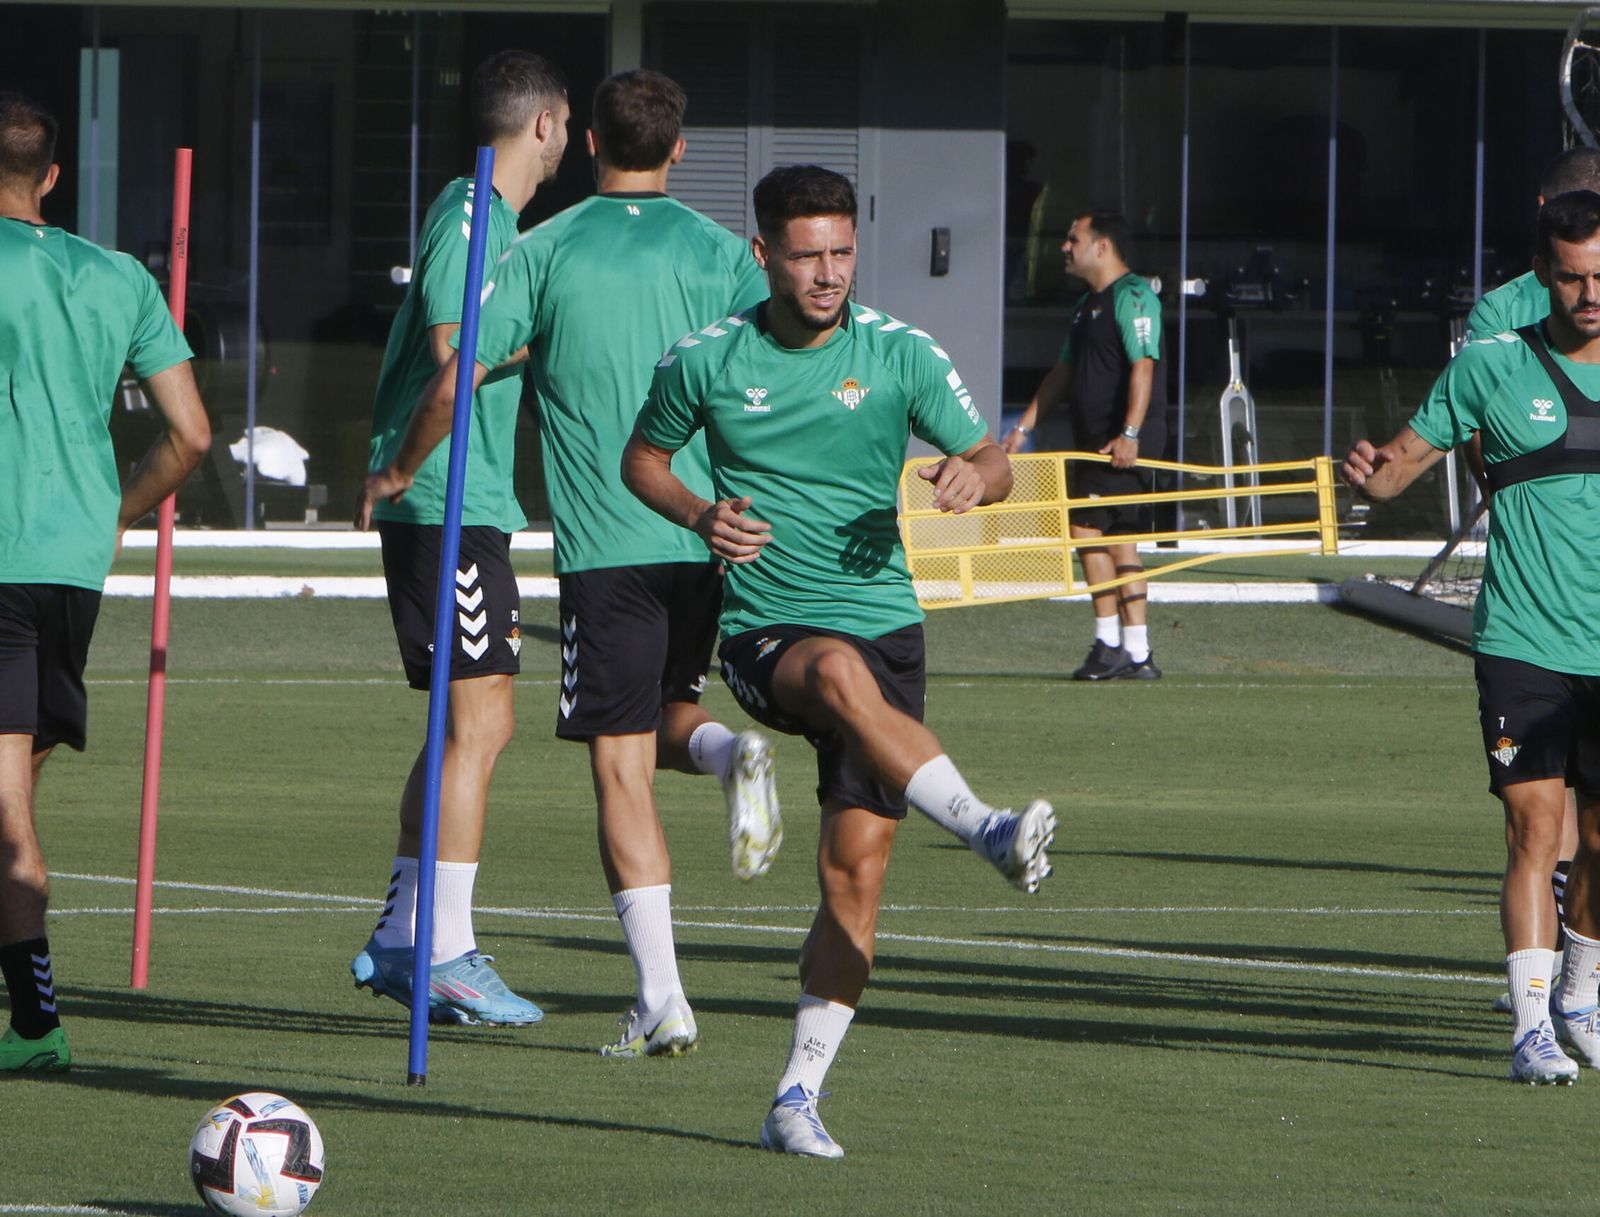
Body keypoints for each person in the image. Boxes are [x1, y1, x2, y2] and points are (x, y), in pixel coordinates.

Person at [621, 164, 1056, 1155]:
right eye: (807, 254)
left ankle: (794, 1098)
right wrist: (700, 511)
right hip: (766, 632)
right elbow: (642, 457)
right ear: (762, 253)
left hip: (885, 627)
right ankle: (986, 826)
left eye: (843, 253)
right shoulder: (708, 357)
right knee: (829, 675)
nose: (828, 273)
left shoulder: (897, 351)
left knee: (853, 880)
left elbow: (993, 459)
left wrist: (969, 476)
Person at [360, 69, 783, 1058]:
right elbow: (769, 371)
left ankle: (641, 990)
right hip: (704, 533)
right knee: (506, 718)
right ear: (680, 150)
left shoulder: (544, 247)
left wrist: (398, 463)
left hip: (599, 540)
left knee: (585, 750)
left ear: (588, 137)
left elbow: (459, 355)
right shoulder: (721, 254)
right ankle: (414, 930)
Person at [1342, 189, 1600, 1086]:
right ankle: (1532, 1029)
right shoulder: (1491, 365)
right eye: (1571, 277)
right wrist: (1373, 475)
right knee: (1535, 829)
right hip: (1525, 639)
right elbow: (1401, 466)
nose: (1590, 293)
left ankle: (1580, 991)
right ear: (1543, 276)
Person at [349, 51, 569, 1027]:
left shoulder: (502, 222)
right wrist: (557, 330)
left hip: (467, 500)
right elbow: (453, 348)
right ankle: (443, 950)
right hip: (442, 498)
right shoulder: (472, 215)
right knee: (480, 726)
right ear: (548, 124)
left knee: (463, 726)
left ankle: (404, 938)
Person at [0, 92, 211, 1070]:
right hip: (74, 569)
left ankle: (38, 1026)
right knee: (9, 797)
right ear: (51, 176)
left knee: (5, 818)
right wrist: (119, 513)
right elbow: (192, 435)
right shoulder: (119, 275)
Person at [1458, 148, 1600, 1015]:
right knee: (1537, 824)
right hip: (1533, 617)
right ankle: (1539, 1013)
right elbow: (1476, 435)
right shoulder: (1501, 316)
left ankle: (1578, 985)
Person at [1004, 210, 1166, 681]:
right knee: (1103, 534)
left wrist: (1130, 434)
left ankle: (1118, 645)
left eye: (1073, 239)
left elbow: (1144, 366)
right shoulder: (1086, 307)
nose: (1064, 247)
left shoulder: (1134, 295)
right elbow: (1063, 372)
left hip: (1121, 443)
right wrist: (1023, 428)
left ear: (1103, 246)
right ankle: (1132, 652)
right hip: (1093, 441)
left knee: (1099, 532)